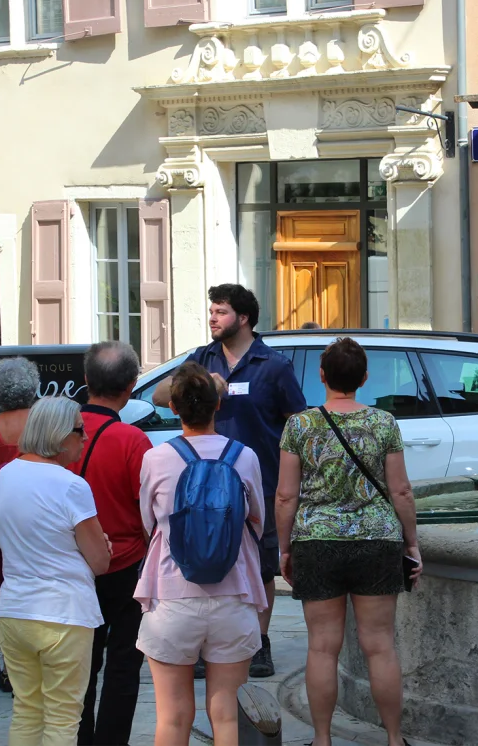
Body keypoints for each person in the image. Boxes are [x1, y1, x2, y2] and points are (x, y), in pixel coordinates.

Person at [153, 284, 306, 677]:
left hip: (260, 481)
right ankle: (208, 642)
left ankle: (259, 641)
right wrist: (202, 384)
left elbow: (297, 423)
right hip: (202, 484)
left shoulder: (272, 365)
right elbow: (157, 395)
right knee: (207, 555)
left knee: (260, 564)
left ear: (243, 317)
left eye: (220, 311)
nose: (212, 318)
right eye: (211, 311)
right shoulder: (202, 359)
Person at [276, 338, 422, 746]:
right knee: (380, 647)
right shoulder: (384, 423)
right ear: (364, 378)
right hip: (377, 540)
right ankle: (395, 739)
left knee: (322, 648)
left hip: (317, 541)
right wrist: (411, 544)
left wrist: (286, 548)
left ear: (321, 376)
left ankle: (322, 740)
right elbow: (402, 492)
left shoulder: (300, 426)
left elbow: (286, 495)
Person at [135, 361, 266, 746]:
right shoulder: (244, 457)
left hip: (171, 598)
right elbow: (257, 521)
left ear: (173, 408)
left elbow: (149, 523)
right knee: (227, 715)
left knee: (172, 718)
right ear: (218, 405)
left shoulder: (156, 459)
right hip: (233, 594)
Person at [0, 396, 111, 746]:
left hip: (14, 610)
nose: (85, 438)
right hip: (64, 613)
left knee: (27, 710)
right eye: (80, 431)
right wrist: (100, 543)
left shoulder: (6, 474)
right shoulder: (72, 486)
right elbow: (100, 561)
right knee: (62, 719)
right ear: (60, 436)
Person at [69, 341, 152, 746]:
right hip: (124, 567)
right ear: (133, 385)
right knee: (123, 665)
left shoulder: (58, 434)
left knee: (79, 664)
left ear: (86, 381)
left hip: (71, 566)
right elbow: (149, 511)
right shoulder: (132, 442)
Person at [0, 356, 41, 691]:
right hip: (41, 510)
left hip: (0, 514)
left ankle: (7, 665)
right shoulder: (43, 422)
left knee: (3, 584)